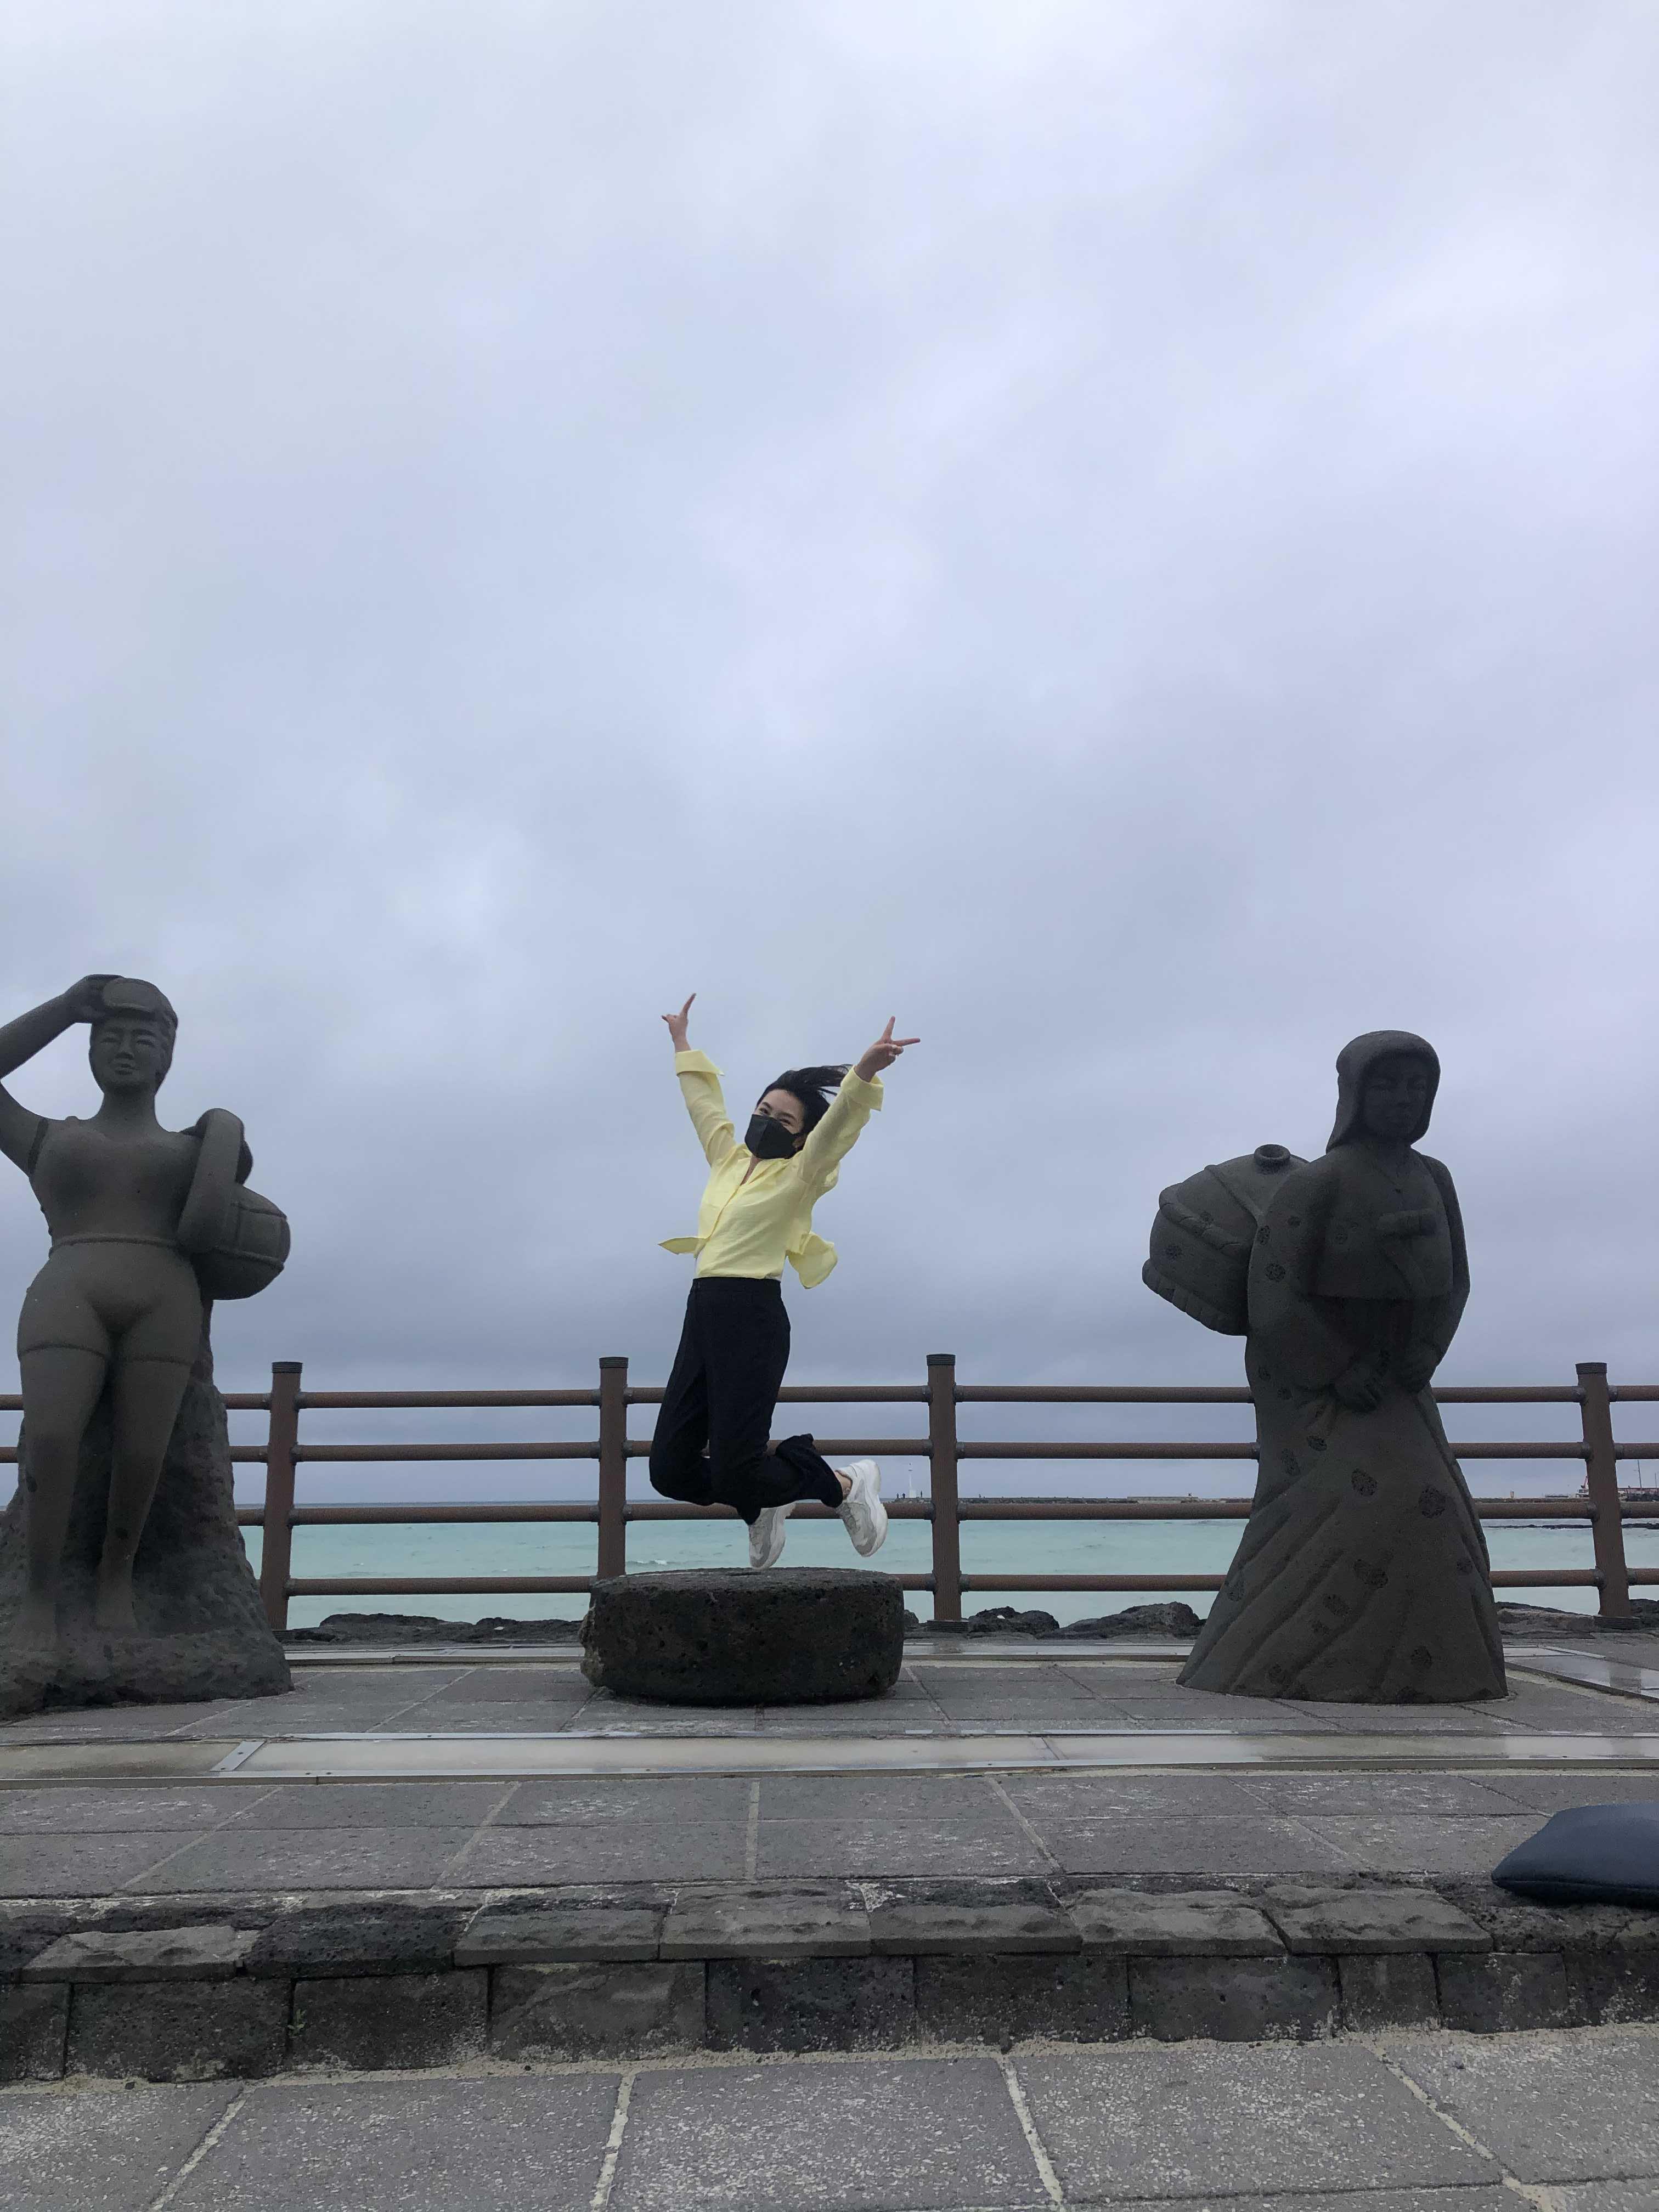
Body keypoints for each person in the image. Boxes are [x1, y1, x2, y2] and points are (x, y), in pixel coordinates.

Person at [1178, 1029, 1506, 1702]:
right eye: (1386, 1085)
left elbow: (1457, 1281)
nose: (1403, 1099)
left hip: (1401, 1372)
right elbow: (1274, 1291)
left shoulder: (1435, 1177)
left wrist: (1428, 1350)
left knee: (1438, 1508)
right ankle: (1272, 1661)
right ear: (1354, 1093)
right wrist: (1336, 1365)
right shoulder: (1319, 1182)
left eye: (1416, 1086)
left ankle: (1438, 1670)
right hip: (1317, 1374)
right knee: (1359, 1502)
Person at [650, 995, 919, 1568]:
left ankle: (845, 1484)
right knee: (669, 1471)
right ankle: (766, 1502)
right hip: (702, 1314)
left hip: (752, 1318)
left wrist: (864, 1072)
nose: (767, 1121)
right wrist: (682, 1042)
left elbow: (837, 1129)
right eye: (763, 1109)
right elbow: (704, 1105)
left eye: (784, 1120)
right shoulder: (727, 1160)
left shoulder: (801, 1173)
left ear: (799, 1138)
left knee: (737, 1471)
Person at [0, 977, 204, 1639]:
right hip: (70, 1287)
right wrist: (65, 1010)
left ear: (166, 1057)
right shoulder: (49, 1138)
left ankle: (117, 1575)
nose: (124, 1050)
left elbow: (232, 1232)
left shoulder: (194, 1149)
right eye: (110, 1037)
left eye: (143, 1039)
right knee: (52, 1438)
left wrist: (228, 1140)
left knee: (144, 1451)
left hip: (164, 1299)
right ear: (89, 1050)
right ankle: (40, 1590)